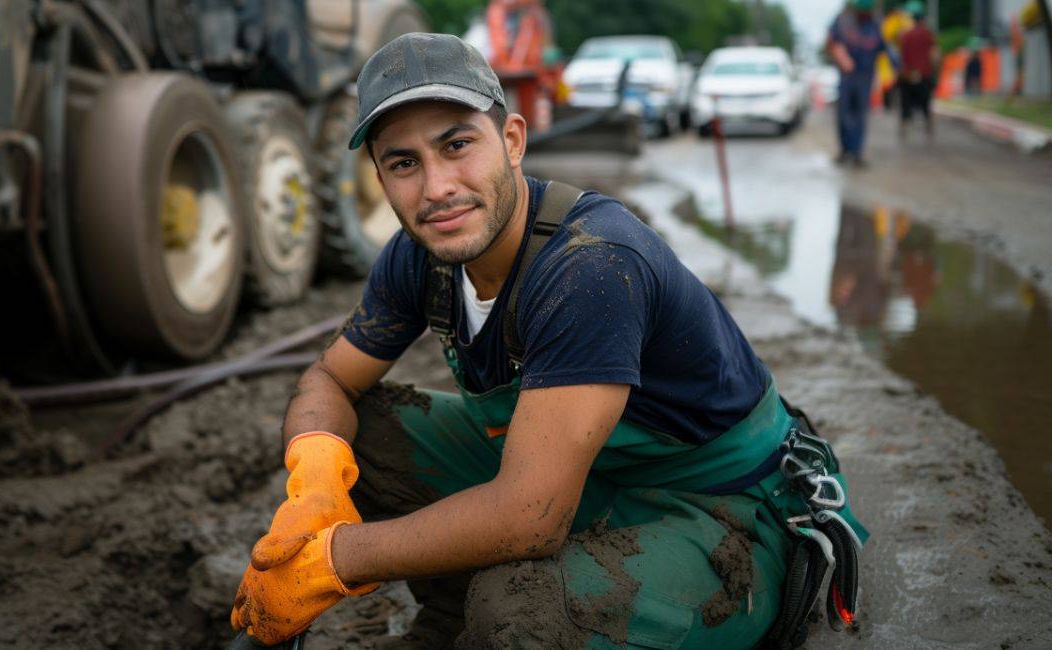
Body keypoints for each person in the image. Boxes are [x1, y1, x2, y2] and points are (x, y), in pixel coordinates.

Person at [229, 33, 868, 649]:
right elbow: (331, 380)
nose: (437, 188)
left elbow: (530, 518)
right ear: (379, 176)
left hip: (716, 510)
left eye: (457, 145)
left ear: (512, 140)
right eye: (403, 163)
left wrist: (333, 559)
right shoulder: (417, 258)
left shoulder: (590, 266)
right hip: (589, 477)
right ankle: (452, 621)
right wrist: (313, 479)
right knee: (357, 433)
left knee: (524, 611)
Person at [827, 0, 891, 166]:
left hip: (865, 77)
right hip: (846, 77)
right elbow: (831, 42)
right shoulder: (842, 21)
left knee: (860, 117)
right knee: (843, 115)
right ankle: (845, 150)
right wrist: (840, 55)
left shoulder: (876, 25)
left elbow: (884, 48)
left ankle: (856, 153)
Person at [898, 1, 939, 140]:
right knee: (925, 103)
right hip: (924, 74)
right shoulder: (928, 34)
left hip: (907, 75)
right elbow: (934, 56)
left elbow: (901, 56)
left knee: (905, 104)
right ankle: (929, 126)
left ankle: (904, 127)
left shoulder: (906, 35)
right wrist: (935, 72)